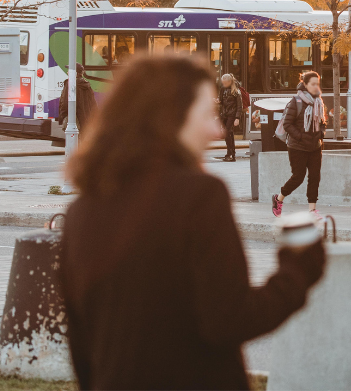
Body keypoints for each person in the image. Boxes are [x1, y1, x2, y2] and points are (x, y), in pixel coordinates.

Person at [60, 55, 326, 390]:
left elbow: (81, 346)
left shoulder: (81, 212)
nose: (216, 129)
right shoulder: (199, 196)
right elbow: (229, 318)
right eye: (206, 114)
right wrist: (298, 271)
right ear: (170, 118)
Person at [272, 71, 326, 220]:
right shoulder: (296, 101)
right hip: (298, 146)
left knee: (315, 177)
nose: (316, 87)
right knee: (298, 177)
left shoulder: (319, 101)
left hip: (315, 146)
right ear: (305, 84)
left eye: (317, 84)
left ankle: (312, 210)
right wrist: (301, 137)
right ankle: (279, 198)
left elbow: (322, 122)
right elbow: (288, 124)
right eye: (313, 84)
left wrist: (321, 133)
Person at [57, 64, 97, 132]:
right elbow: (93, 104)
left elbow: (65, 103)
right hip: (86, 122)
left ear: (75, 73)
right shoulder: (87, 85)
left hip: (75, 121)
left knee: (73, 140)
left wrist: (62, 117)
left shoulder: (70, 84)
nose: (67, 72)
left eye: (69, 71)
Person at [218, 73, 243, 161]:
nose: (224, 85)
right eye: (223, 83)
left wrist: (237, 118)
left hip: (232, 115)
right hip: (224, 115)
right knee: (229, 133)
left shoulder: (236, 91)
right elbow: (221, 101)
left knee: (227, 133)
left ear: (229, 82)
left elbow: (240, 106)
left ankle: (230, 154)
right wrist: (217, 101)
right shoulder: (222, 89)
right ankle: (231, 153)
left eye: (225, 83)